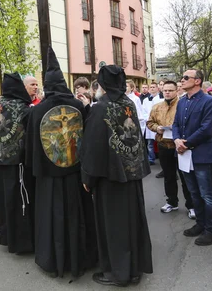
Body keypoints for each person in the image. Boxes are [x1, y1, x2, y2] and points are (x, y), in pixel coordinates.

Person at [25, 47, 97, 278]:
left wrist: (34, 171)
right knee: (79, 216)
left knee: (52, 218)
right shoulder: (78, 106)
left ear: (46, 85)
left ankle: (53, 259)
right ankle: (81, 257)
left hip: (49, 178)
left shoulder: (37, 111)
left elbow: (32, 147)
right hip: (75, 174)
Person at [81, 64, 152, 287]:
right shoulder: (128, 102)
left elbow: (92, 146)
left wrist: (88, 178)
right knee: (131, 221)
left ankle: (117, 273)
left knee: (114, 226)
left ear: (102, 84)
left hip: (110, 177)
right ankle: (133, 268)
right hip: (131, 174)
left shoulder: (101, 107)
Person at [173, 69, 212, 246]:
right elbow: (176, 123)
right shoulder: (182, 101)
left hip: (201, 154)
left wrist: (187, 143)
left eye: (186, 78)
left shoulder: (210, 101)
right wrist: (177, 139)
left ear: (198, 81)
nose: (182, 80)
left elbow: (207, 128)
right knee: (193, 192)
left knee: (207, 194)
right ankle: (200, 223)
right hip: (185, 154)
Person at [0, 73, 34, 254]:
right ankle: (22, 242)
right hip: (19, 163)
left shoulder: (0, 105)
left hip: (1, 162)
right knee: (20, 201)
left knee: (5, 199)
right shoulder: (22, 108)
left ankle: (7, 236)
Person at [146, 80, 195, 218]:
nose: (167, 92)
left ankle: (191, 205)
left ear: (176, 91)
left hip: (180, 147)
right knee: (168, 176)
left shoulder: (183, 105)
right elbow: (150, 122)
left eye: (170, 90)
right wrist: (158, 128)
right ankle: (172, 202)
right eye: (165, 90)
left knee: (186, 177)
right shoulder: (157, 106)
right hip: (163, 145)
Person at [141, 83, 163, 165]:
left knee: (160, 143)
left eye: (154, 87)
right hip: (150, 124)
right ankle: (151, 159)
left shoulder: (162, 99)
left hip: (159, 123)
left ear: (157, 88)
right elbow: (144, 112)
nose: (152, 89)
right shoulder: (146, 100)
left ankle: (162, 159)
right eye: (151, 87)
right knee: (150, 144)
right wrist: (149, 119)